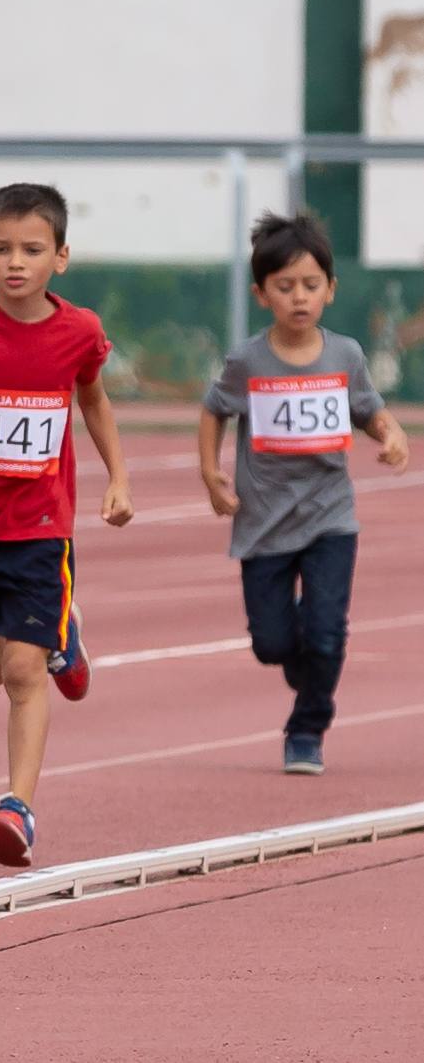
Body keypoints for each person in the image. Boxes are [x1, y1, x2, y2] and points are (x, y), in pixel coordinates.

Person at [0, 184, 132, 867]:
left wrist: (119, 478)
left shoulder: (77, 332)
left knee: (21, 670)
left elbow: (94, 401)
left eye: (32, 249)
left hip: (39, 526)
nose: (14, 261)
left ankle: (16, 804)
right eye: (1, 247)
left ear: (61, 257)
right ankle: (63, 633)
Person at [200, 213, 408, 776]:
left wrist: (391, 434)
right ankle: (307, 662)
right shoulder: (247, 361)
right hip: (264, 520)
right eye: (285, 286)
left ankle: (307, 727)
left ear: (330, 290)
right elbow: (213, 412)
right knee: (272, 644)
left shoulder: (345, 355)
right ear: (261, 293)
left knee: (327, 632)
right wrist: (211, 473)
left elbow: (369, 410)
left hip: (329, 518)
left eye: (311, 286)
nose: (299, 298)